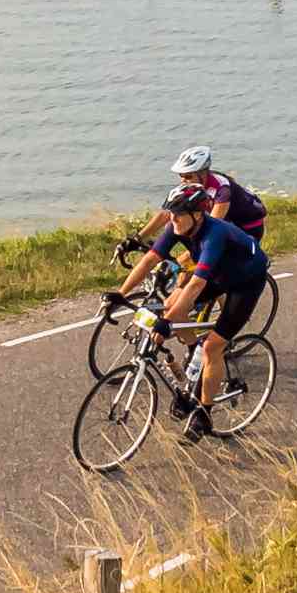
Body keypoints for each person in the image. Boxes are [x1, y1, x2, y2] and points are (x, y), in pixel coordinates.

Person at [104, 185, 271, 441]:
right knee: (171, 306)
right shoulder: (177, 226)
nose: (172, 220)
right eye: (170, 214)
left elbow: (195, 285)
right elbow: (150, 259)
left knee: (212, 348)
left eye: (178, 215)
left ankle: (204, 414)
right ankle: (193, 348)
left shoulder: (214, 234)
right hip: (218, 274)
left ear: (197, 214)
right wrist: (121, 294)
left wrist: (166, 324)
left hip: (245, 282)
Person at [128, 146, 266, 255]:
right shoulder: (190, 187)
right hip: (228, 222)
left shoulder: (221, 189)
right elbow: (166, 214)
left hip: (248, 226)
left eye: (188, 176)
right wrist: (137, 238)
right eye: (181, 176)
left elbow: (213, 227)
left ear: (202, 174)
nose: (183, 181)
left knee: (202, 259)